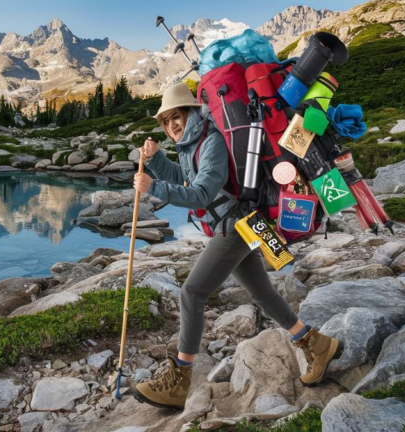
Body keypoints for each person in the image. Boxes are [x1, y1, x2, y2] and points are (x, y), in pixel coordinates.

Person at [131, 82, 342, 410]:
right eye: (165, 120)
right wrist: (158, 161)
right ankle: (317, 343)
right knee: (262, 294)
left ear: (191, 112)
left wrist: (154, 187)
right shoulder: (191, 144)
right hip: (240, 224)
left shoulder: (211, 140)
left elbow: (201, 193)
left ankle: (180, 380)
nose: (172, 125)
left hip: (236, 226)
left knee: (192, 293)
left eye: (177, 116)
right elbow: (188, 178)